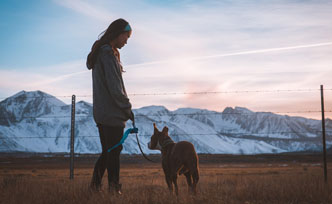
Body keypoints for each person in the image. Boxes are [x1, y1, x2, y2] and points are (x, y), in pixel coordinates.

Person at [86, 18, 134, 195]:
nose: (126, 41)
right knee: (113, 152)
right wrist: (127, 109)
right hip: (112, 114)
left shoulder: (101, 53)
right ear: (118, 33)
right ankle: (114, 189)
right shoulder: (108, 55)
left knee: (108, 152)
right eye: (126, 37)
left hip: (101, 113)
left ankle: (95, 187)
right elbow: (116, 89)